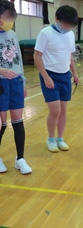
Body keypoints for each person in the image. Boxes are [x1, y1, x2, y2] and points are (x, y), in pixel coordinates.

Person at [34, 5, 79, 152]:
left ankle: (60, 138)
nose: (68, 27)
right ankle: (51, 138)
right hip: (49, 75)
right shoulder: (45, 33)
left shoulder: (70, 34)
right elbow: (37, 56)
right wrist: (46, 77)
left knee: (63, 110)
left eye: (71, 25)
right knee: (55, 110)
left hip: (65, 75)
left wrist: (75, 72)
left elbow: (69, 55)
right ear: (57, 19)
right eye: (66, 24)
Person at [0, 0, 32, 174]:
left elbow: (18, 58)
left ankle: (20, 158)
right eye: (7, 18)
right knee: (2, 123)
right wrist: (2, 71)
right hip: (1, 84)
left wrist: (23, 81)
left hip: (16, 82)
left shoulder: (12, 34)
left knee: (18, 121)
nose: (10, 22)